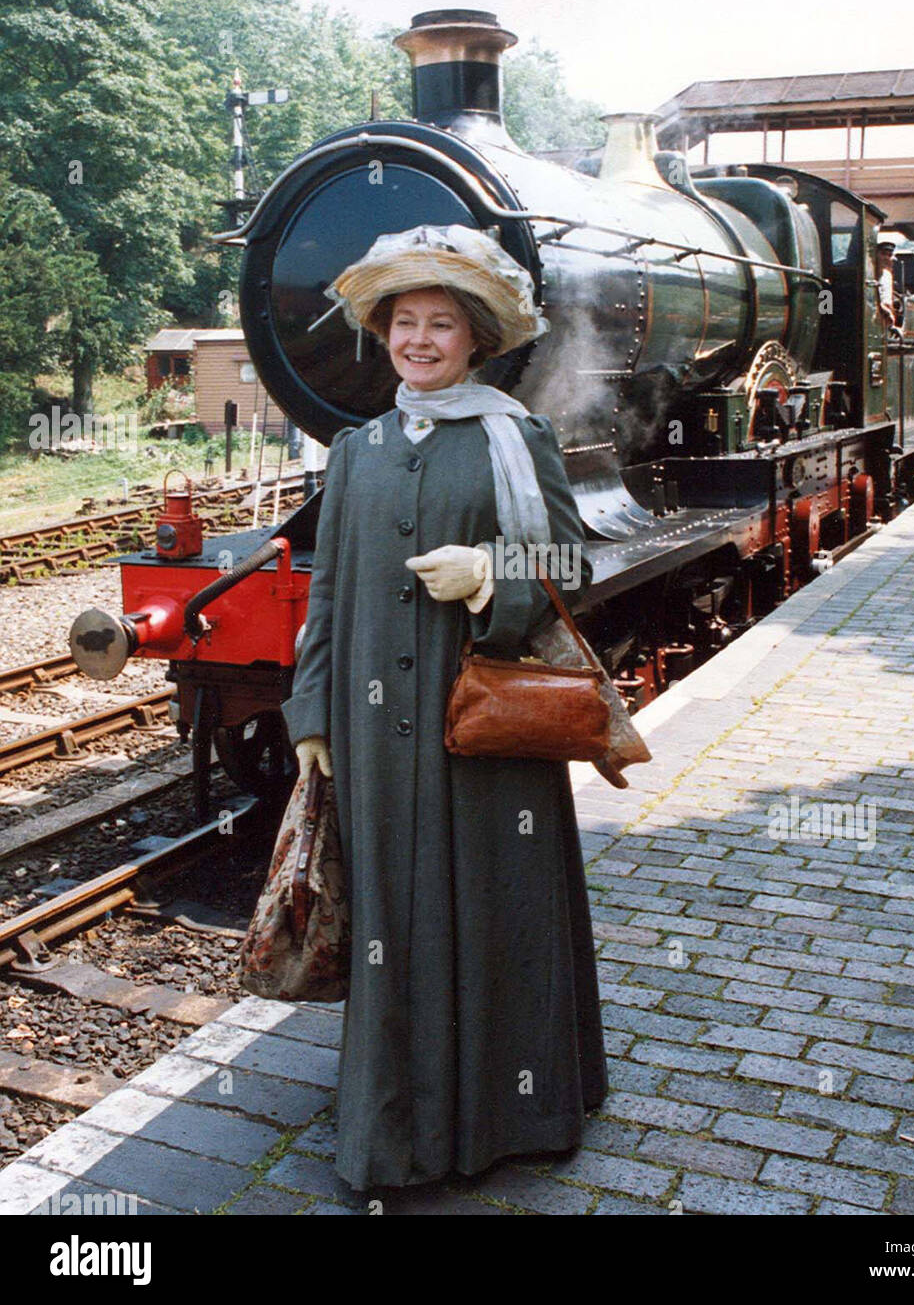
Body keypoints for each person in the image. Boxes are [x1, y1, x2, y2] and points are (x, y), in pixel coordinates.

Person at [281, 222, 609, 1197]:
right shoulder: (357, 451)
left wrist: (487, 576)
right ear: (383, 334)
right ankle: (393, 1126)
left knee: (495, 908)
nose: (419, 340)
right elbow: (328, 591)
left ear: (474, 339)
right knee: (392, 916)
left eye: (441, 325)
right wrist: (309, 716)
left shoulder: (516, 437)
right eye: (403, 323)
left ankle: (520, 1113)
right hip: (374, 736)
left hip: (483, 728)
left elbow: (568, 570)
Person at [876, 240, 899, 330]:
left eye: (889, 255)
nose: (886, 258)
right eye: (883, 254)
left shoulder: (888, 275)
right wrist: (886, 312)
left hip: (886, 321)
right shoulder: (869, 274)